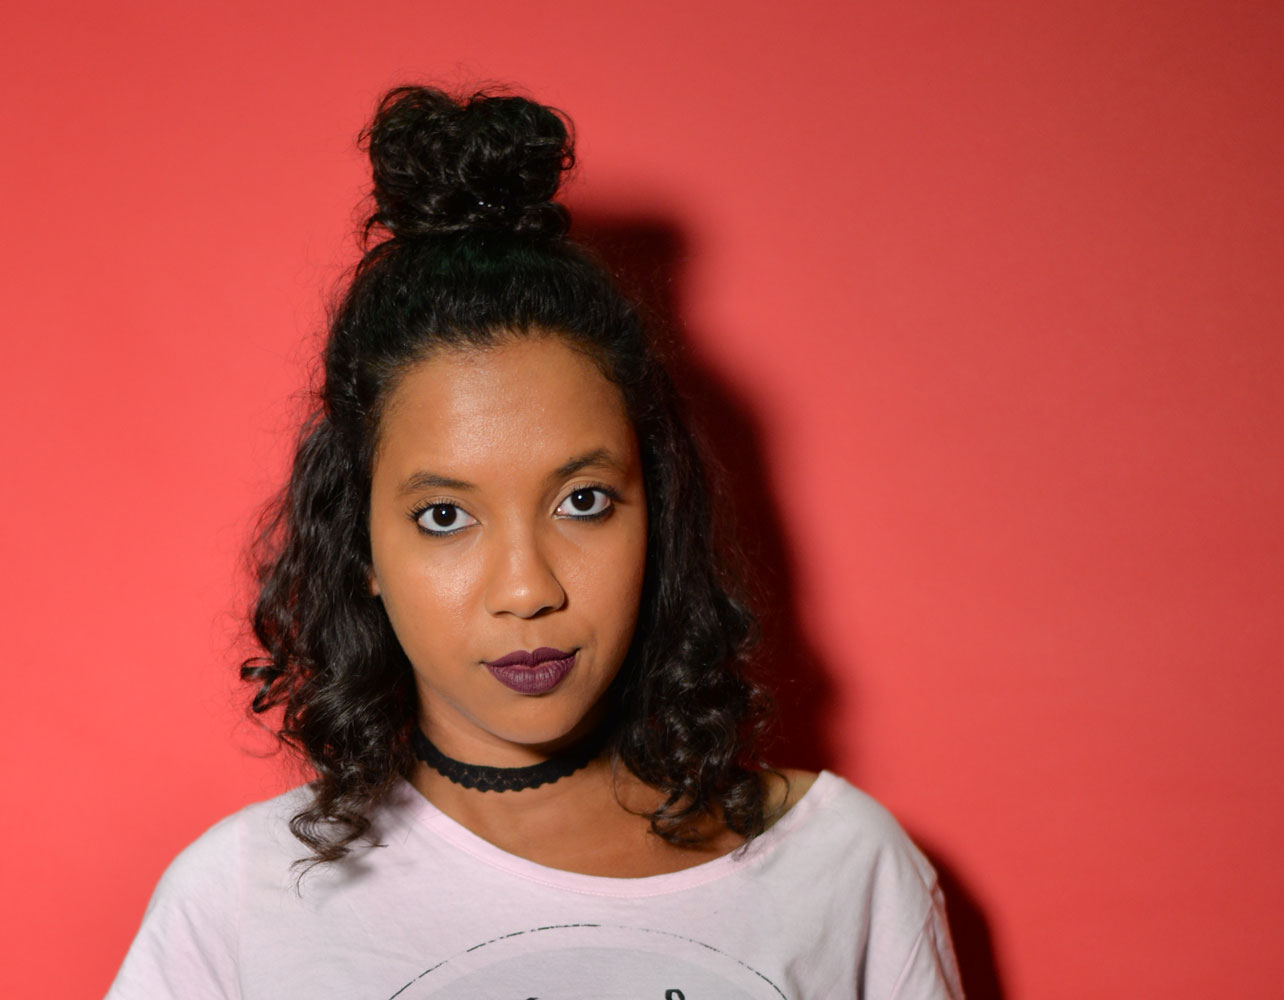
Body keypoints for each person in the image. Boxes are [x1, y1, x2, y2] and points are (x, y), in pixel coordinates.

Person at [106, 86, 963, 999]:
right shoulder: (241, 906)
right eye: (445, 516)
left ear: (658, 514)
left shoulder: (840, 870)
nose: (526, 589)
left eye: (583, 501)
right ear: (360, 548)